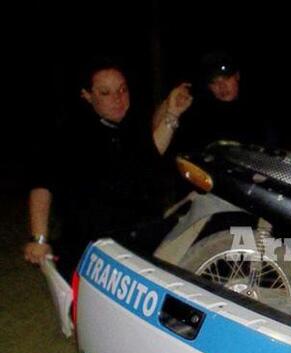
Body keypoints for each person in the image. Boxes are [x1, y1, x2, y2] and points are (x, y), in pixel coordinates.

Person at [23, 57, 192, 277]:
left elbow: (149, 150)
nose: (118, 99)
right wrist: (39, 239)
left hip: (142, 238)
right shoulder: (68, 135)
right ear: (87, 95)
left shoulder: (128, 125)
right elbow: (42, 185)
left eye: (122, 90)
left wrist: (171, 111)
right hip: (95, 249)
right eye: (106, 93)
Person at [163, 51, 277, 153]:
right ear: (208, 86)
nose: (222, 86)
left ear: (237, 76)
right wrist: (169, 104)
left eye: (226, 78)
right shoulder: (199, 114)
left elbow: (271, 150)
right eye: (214, 82)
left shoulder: (258, 110)